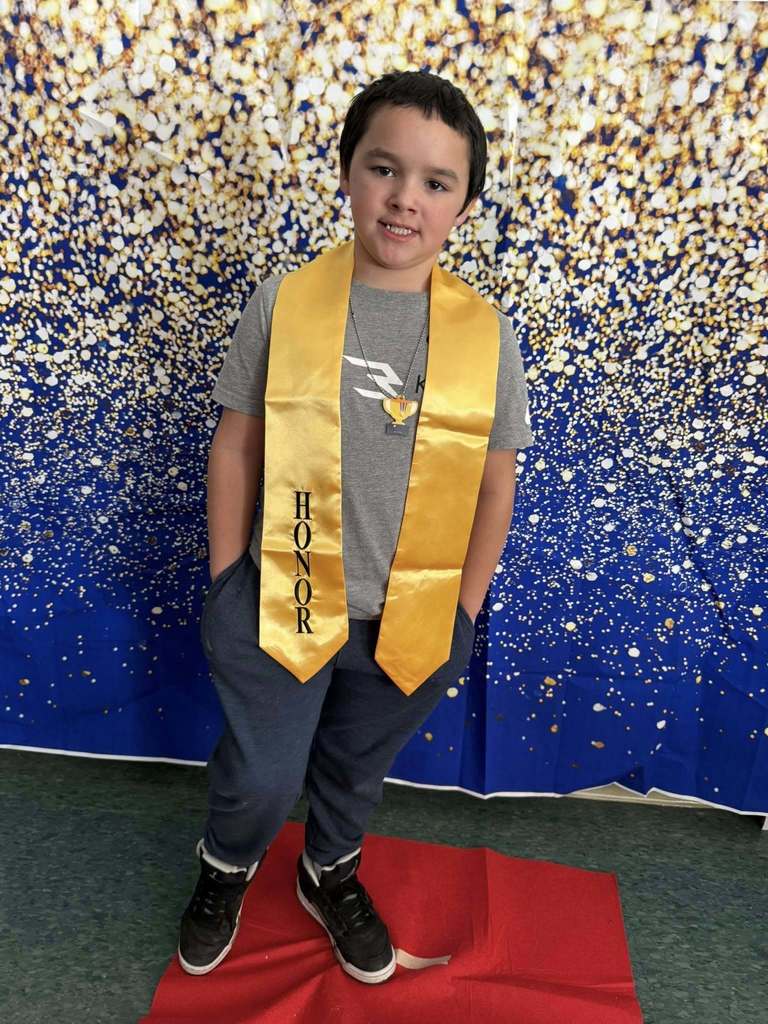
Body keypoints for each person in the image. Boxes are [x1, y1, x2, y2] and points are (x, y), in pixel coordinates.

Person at [177, 69, 534, 986]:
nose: (404, 198)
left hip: (411, 619)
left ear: (463, 205)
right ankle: (227, 864)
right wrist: (227, 582)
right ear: (346, 173)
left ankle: (327, 869)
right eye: (384, 169)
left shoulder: (486, 338)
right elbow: (237, 448)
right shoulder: (284, 304)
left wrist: (464, 607)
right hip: (281, 601)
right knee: (260, 779)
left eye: (435, 182)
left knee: (352, 771)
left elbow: (496, 484)